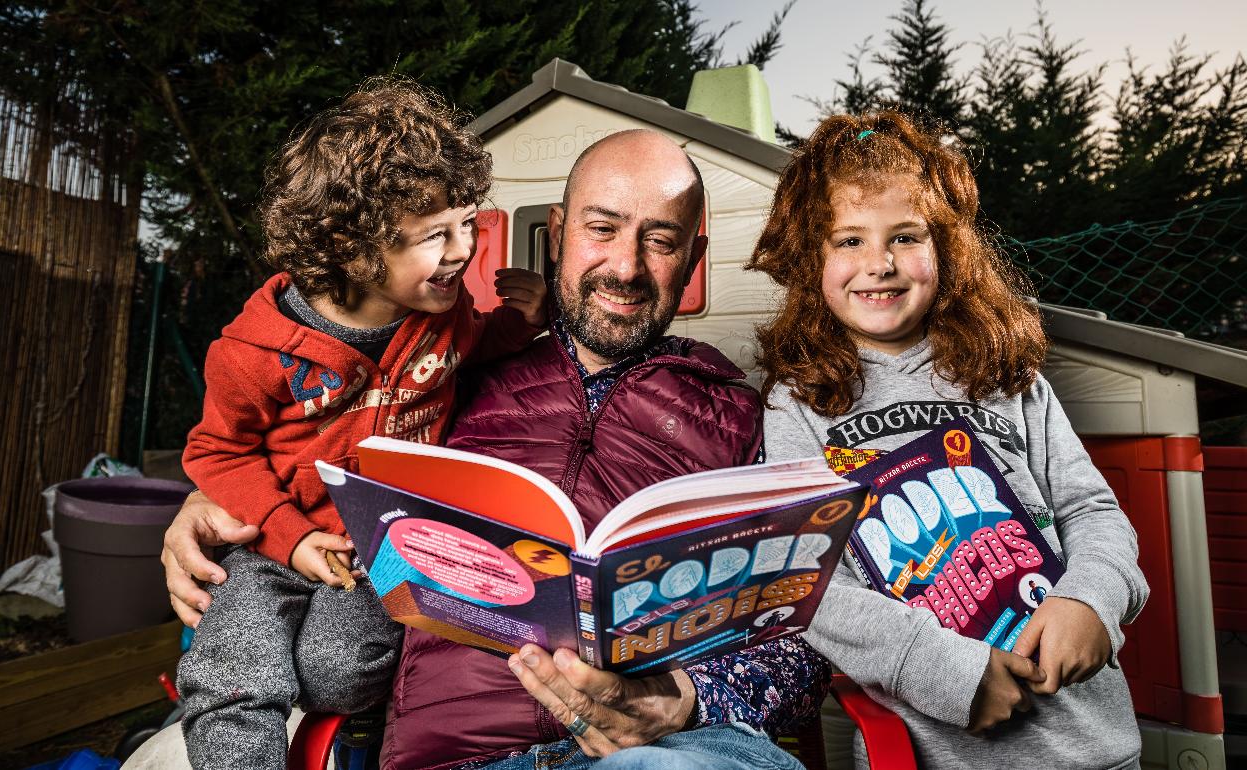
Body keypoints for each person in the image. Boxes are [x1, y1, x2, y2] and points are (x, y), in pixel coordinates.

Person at [155, 130, 828, 770]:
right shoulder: (441, 383)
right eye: (603, 228)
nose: (625, 267)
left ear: (693, 257)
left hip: (666, 751)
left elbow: (807, 645)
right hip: (453, 755)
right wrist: (206, 498)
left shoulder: (751, 416)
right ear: (559, 236)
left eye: (661, 241)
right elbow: (301, 446)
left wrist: (682, 701)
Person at [747, 111, 1149, 769]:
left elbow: (1093, 511)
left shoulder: (1007, 378)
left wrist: (1092, 599)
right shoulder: (798, 405)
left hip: (1095, 742)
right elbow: (803, 577)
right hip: (941, 751)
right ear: (808, 258)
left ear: (946, 247)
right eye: (848, 239)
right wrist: (939, 668)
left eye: (905, 236)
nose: (879, 264)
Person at [175, 79, 547, 770]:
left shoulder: (444, 313)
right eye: (438, 235)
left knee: (346, 670)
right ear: (350, 243)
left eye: (470, 224)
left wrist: (521, 324)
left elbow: (475, 344)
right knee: (238, 675)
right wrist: (291, 539)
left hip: (375, 553)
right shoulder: (252, 353)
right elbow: (217, 455)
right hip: (268, 547)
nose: (464, 250)